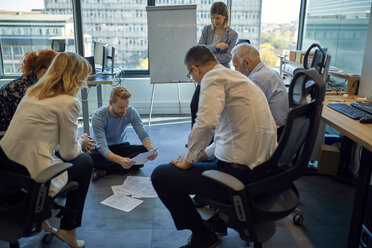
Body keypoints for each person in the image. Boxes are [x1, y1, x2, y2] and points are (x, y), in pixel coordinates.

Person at [151, 45, 277, 248]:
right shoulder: (238, 79)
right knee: (194, 163)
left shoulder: (211, 78)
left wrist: (189, 159)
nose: (195, 80)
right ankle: (218, 220)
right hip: (261, 171)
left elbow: (206, 123)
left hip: (238, 176)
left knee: (161, 176)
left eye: (191, 75)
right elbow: (228, 135)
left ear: (196, 69)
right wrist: (200, 155)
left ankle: (203, 237)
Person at [0, 52, 93, 248]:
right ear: (76, 76)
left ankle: (46, 217)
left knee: (72, 156)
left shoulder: (33, 93)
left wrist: (70, 142)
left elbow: (42, 134)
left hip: (8, 167)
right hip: (34, 175)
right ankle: (69, 230)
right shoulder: (68, 103)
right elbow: (69, 153)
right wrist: (78, 142)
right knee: (86, 161)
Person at [90, 86, 158, 181]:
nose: (124, 110)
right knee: (92, 159)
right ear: (111, 103)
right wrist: (120, 160)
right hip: (103, 148)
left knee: (145, 150)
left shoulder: (131, 111)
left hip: (122, 146)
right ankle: (127, 165)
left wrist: (151, 150)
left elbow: (143, 134)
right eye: (121, 107)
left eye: (126, 106)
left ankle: (106, 170)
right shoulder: (98, 116)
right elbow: (102, 147)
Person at [190, 1, 238, 127]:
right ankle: (194, 137)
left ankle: (212, 141)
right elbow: (199, 49)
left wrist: (207, 56)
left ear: (225, 17)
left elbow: (227, 58)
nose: (215, 21)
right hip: (205, 74)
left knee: (216, 109)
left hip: (221, 75)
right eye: (212, 18)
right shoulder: (207, 30)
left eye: (218, 18)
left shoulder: (232, 34)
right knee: (194, 105)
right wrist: (215, 46)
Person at [232, 43, 289, 138]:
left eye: (236, 67)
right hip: (279, 131)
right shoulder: (268, 72)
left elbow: (245, 114)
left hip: (270, 135)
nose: (235, 71)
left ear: (246, 63)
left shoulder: (257, 79)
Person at [0, 49, 58, 136]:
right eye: (56, 75)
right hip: (7, 138)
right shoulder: (25, 90)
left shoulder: (25, 82)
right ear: (44, 72)